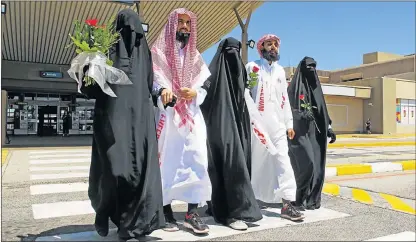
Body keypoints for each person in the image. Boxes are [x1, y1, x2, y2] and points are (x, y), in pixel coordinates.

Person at [80, 9, 164, 240]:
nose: (132, 34)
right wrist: (86, 68)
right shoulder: (105, 51)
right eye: (126, 29)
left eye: (136, 30)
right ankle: (104, 211)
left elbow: (149, 84)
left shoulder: (144, 53)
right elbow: (90, 89)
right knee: (113, 171)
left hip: (140, 121)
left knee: (138, 175)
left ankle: (132, 226)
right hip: (111, 121)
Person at [150, 8, 212, 234]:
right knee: (167, 162)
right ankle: (165, 211)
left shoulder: (195, 56)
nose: (184, 26)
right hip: (168, 115)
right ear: (171, 25)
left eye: (188, 23)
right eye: (180, 22)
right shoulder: (158, 52)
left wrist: (195, 94)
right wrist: (164, 90)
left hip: (192, 116)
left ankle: (192, 213)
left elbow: (204, 84)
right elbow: (154, 81)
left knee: (197, 159)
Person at [200, 37, 263, 230]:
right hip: (219, 129)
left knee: (236, 165)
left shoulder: (241, 76)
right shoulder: (211, 76)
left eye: (237, 51)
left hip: (239, 127)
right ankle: (232, 213)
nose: (233, 56)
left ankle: (226, 208)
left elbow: (244, 100)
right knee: (228, 167)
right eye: (229, 51)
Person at [246, 34, 304, 221]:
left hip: (278, 126)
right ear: (261, 47)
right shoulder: (252, 67)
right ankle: (252, 200)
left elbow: (284, 99)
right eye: (269, 44)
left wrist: (289, 123)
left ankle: (287, 204)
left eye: (275, 45)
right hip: (257, 125)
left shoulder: (280, 71)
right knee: (258, 163)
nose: (273, 48)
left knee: (283, 161)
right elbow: (246, 95)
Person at [287, 56, 336, 211]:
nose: (311, 70)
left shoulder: (316, 88)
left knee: (318, 166)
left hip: (317, 134)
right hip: (301, 133)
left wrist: (328, 127)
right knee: (306, 165)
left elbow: (322, 109)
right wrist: (300, 115)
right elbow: (288, 110)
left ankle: (313, 199)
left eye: (314, 67)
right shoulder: (294, 88)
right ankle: (299, 198)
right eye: (309, 67)